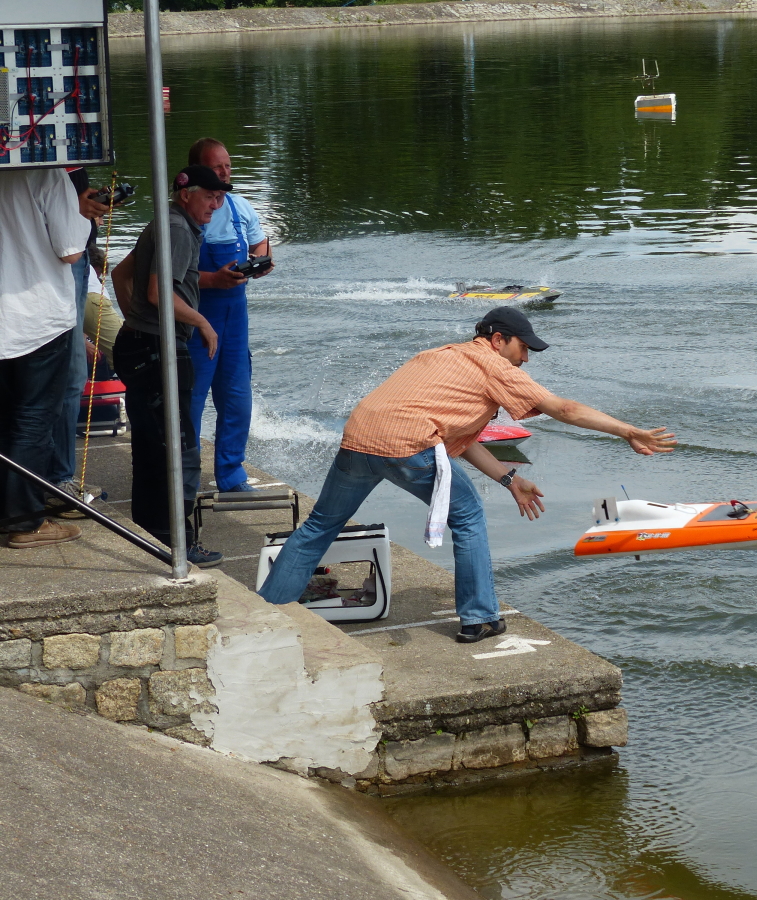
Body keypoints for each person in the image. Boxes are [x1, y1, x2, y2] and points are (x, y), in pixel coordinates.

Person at [258, 306, 677, 643]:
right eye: (523, 348)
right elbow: (563, 408)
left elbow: (461, 440)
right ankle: (478, 619)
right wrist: (628, 431)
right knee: (468, 516)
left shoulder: (439, 356)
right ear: (498, 340)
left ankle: (265, 616)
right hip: (406, 445)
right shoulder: (494, 366)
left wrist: (511, 480)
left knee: (320, 525)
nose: (526, 358)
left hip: (359, 437)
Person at [109, 165, 229, 568]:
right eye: (209, 196)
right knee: (178, 447)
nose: (216, 204)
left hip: (139, 342)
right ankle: (178, 541)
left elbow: (120, 274)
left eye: (220, 197)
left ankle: (150, 531)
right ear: (185, 194)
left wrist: (135, 321)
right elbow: (158, 292)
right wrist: (202, 323)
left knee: (150, 444)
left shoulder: (166, 221)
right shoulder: (177, 228)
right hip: (157, 349)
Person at [0, 168, 92, 548]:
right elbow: (71, 250)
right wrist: (83, 214)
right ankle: (25, 521)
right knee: (33, 419)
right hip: (36, 317)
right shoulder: (46, 172)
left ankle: (9, 512)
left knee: (6, 416)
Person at [186, 137, 273, 494]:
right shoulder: (187, 214)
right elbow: (169, 276)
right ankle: (184, 475)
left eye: (227, 166)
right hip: (196, 318)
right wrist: (213, 280)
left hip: (235, 319)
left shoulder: (240, 206)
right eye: (215, 167)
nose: (224, 173)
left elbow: (260, 242)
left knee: (237, 398)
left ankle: (231, 474)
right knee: (191, 400)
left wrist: (261, 260)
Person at [46, 168, 112, 517]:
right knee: (69, 378)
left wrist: (87, 206)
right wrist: (76, 208)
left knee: (71, 378)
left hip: (77, 255)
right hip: (65, 257)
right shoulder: (47, 160)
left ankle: (58, 478)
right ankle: (58, 482)